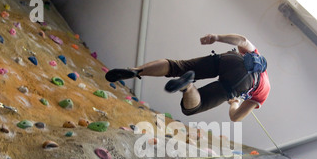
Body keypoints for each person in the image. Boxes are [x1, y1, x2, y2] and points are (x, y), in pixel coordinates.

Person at [105, 33, 270, 122]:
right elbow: (236, 117)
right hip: (242, 82)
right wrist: (234, 103)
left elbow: (242, 40)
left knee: (178, 66)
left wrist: (216, 38)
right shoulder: (262, 92)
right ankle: (188, 86)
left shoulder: (256, 55)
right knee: (195, 106)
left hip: (232, 59)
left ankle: (135, 71)